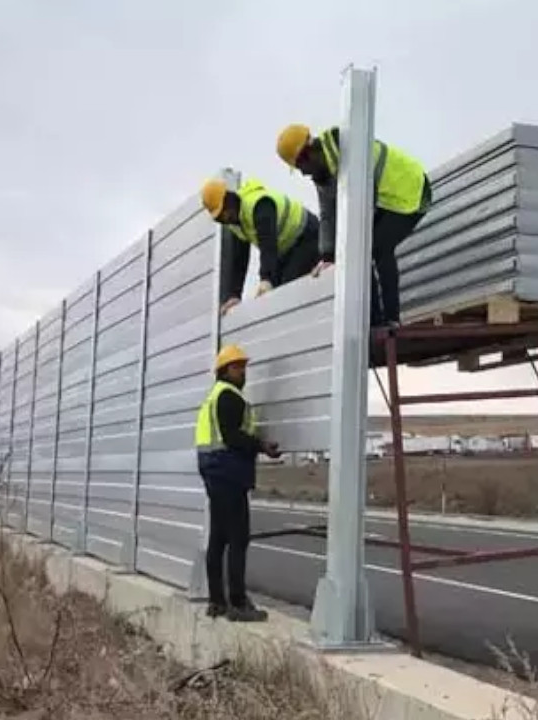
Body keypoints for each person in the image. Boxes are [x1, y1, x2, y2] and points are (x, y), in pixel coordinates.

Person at [274, 123, 432, 329]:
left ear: (308, 154)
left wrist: (352, 242)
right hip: (385, 200)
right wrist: (328, 256)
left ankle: (391, 319)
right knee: (359, 250)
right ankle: (373, 322)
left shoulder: (350, 151)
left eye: (301, 167)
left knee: (375, 247)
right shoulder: (322, 173)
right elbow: (327, 215)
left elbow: (365, 200)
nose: (303, 174)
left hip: (410, 192)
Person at [194, 344, 281, 621]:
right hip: (227, 471)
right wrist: (262, 445)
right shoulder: (229, 397)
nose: (243, 372)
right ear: (225, 370)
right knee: (238, 538)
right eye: (237, 367)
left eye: (243, 366)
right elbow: (232, 436)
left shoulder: (214, 396)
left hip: (214, 471)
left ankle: (217, 601)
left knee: (218, 537)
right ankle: (238, 603)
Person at [201, 177, 321, 316]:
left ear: (230, 200)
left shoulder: (259, 205)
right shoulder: (235, 222)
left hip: (307, 235)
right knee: (273, 297)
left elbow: (268, 245)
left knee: (285, 290)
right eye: (219, 218)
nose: (225, 218)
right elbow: (239, 261)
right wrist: (234, 295)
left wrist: (266, 279)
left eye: (224, 212)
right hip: (287, 250)